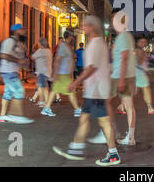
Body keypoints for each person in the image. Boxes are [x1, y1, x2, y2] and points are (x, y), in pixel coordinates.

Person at [53, 15, 120, 165]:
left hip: (96, 90)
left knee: (103, 122)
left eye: (85, 25)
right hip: (93, 89)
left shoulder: (96, 44)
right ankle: (76, 148)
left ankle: (113, 154)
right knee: (84, 119)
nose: (82, 27)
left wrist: (76, 82)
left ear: (92, 27)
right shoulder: (96, 43)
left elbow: (91, 68)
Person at [87, 9, 136, 146]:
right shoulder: (125, 36)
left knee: (106, 102)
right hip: (124, 75)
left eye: (114, 19)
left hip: (121, 76)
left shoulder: (123, 37)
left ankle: (110, 133)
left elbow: (125, 58)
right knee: (127, 105)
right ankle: (127, 136)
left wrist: (120, 79)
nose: (113, 22)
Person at [0, 24, 34, 124]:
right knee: (19, 91)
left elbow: (21, 58)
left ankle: (2, 116)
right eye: (22, 29)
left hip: (12, 71)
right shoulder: (9, 41)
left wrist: (24, 66)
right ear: (16, 31)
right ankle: (17, 115)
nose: (25, 31)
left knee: (8, 93)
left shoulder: (20, 43)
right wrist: (19, 61)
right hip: (8, 71)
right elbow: (4, 55)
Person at [41, 29, 81, 117]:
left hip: (64, 73)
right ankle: (77, 109)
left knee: (55, 90)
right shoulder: (63, 46)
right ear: (69, 36)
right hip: (62, 74)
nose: (73, 37)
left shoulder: (67, 46)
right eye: (72, 36)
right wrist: (54, 74)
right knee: (70, 91)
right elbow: (57, 60)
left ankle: (46, 108)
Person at [117, 36, 154, 115]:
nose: (143, 43)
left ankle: (121, 106)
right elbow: (140, 62)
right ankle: (150, 108)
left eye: (144, 42)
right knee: (145, 90)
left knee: (133, 92)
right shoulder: (138, 51)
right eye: (141, 42)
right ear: (137, 43)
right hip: (139, 73)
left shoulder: (136, 50)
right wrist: (144, 55)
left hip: (136, 72)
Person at [31, 38, 52, 107]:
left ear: (41, 44)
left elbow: (32, 57)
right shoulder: (49, 51)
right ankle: (46, 101)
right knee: (45, 87)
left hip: (42, 72)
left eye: (39, 43)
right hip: (48, 71)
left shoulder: (40, 51)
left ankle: (42, 101)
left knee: (40, 86)